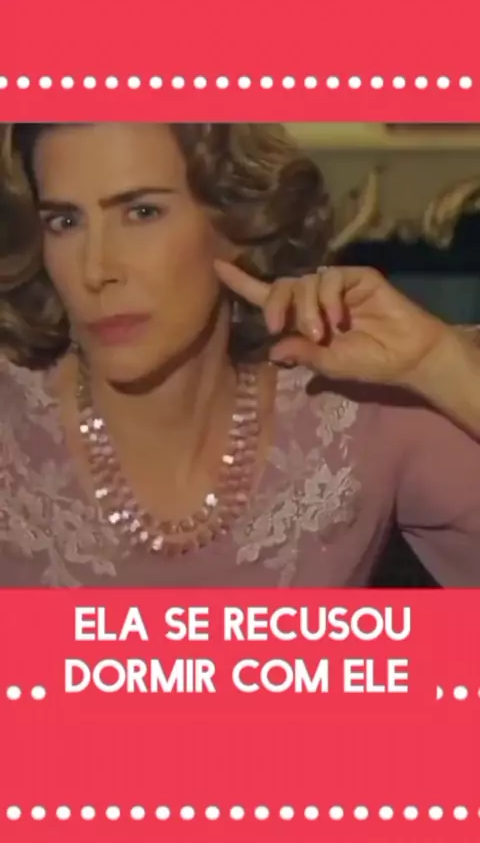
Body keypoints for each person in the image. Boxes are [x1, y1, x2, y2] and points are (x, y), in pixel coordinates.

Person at [0, 121, 479, 589]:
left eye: (142, 213)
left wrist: (439, 362)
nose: (95, 270)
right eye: (65, 222)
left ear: (235, 220)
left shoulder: (356, 412)